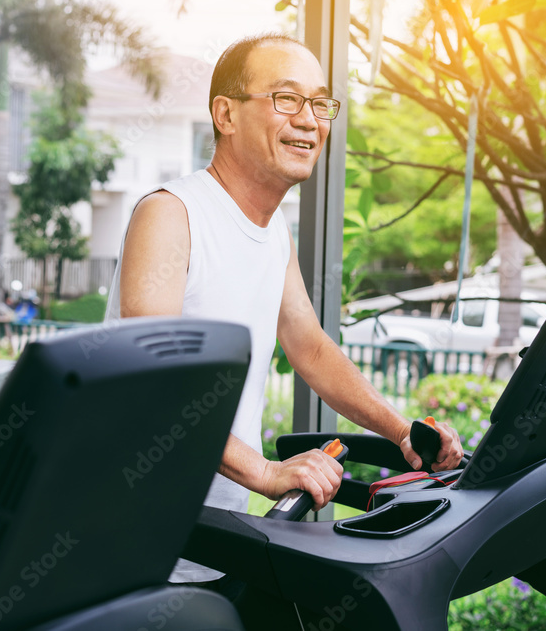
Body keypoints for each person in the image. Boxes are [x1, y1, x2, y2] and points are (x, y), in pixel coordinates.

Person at [105, 32, 463, 625]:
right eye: (286, 99)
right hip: (124, 543)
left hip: (206, 534)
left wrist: (403, 432)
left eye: (320, 104)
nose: (309, 121)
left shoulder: (272, 235)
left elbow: (310, 347)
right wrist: (266, 472)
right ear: (225, 114)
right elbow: (154, 379)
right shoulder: (171, 214)